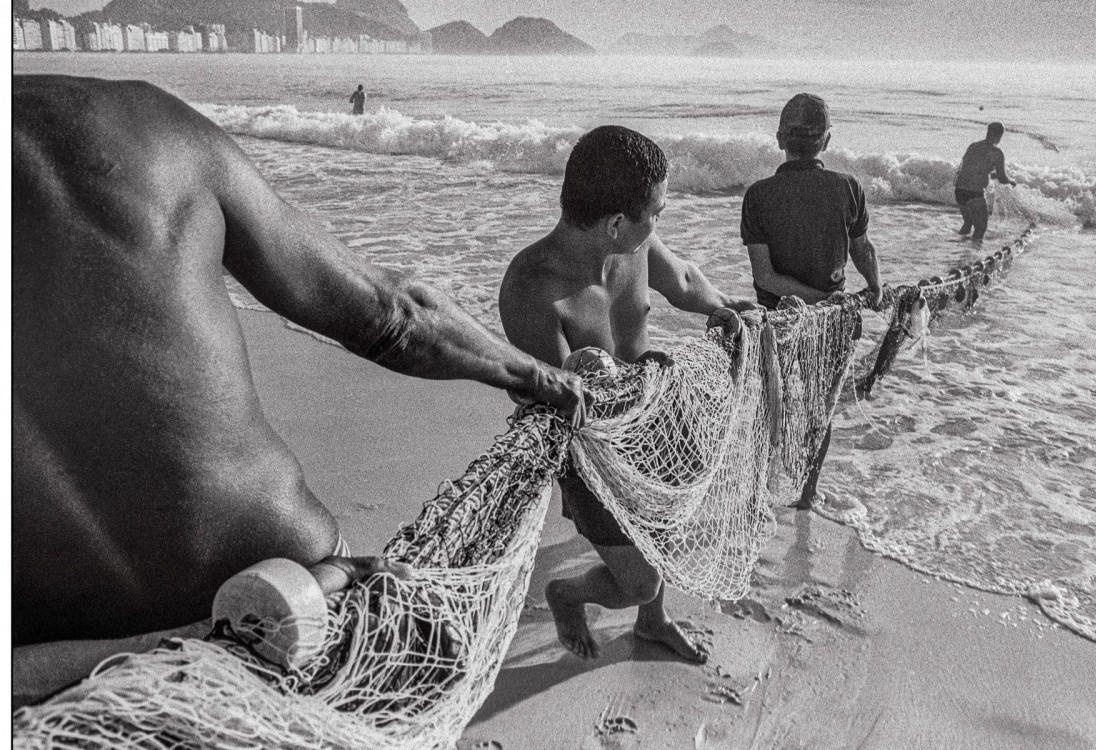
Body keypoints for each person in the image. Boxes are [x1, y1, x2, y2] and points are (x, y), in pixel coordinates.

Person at [13, 75, 587, 654]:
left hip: (52, 646)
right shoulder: (140, 123)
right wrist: (532, 376)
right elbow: (392, 316)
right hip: (282, 593)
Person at [499, 125, 758, 663]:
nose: (657, 223)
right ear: (617, 222)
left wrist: (723, 305)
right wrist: (629, 385)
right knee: (637, 580)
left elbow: (684, 280)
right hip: (592, 457)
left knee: (666, 530)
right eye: (656, 213)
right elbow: (558, 403)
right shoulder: (532, 291)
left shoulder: (634, 245)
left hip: (651, 424)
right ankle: (568, 594)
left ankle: (652, 622)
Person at [739, 93, 883, 509]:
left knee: (772, 402)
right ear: (828, 141)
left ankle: (755, 491)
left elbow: (765, 276)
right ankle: (807, 493)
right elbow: (862, 249)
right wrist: (872, 288)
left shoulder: (759, 195)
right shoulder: (848, 187)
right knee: (822, 407)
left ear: (779, 137)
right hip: (832, 322)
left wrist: (810, 301)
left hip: (776, 323)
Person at [954, 121, 1016, 241]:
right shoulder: (997, 153)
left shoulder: (973, 146)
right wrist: (1011, 182)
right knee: (981, 228)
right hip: (974, 193)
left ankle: (959, 247)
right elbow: (1003, 178)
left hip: (959, 190)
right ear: (999, 136)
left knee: (968, 223)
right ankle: (973, 254)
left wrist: (992, 175)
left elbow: (973, 169)